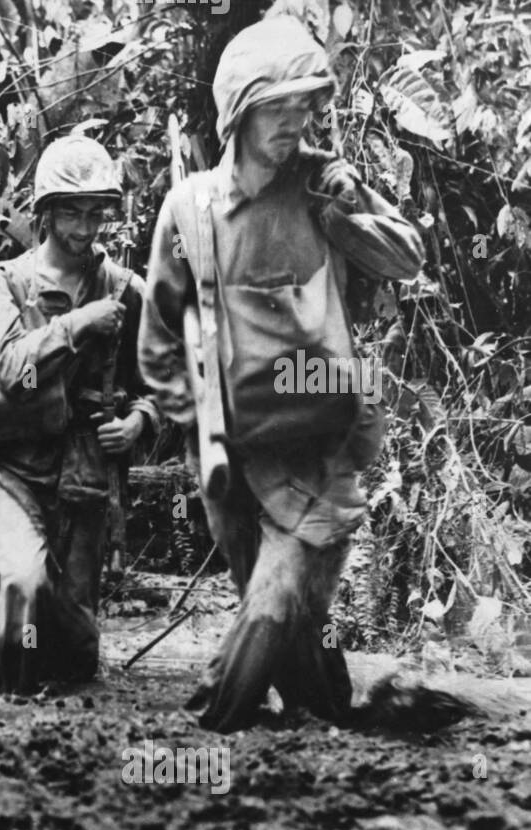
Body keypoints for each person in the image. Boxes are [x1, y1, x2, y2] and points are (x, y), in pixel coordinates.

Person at [137, 14, 424, 732]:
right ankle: (329, 709)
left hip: (322, 445)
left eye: (305, 106)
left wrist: (348, 209)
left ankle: (206, 727)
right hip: (233, 454)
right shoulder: (190, 210)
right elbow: (157, 340)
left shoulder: (323, 188)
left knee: (274, 599)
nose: (295, 122)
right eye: (279, 106)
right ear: (238, 111)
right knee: (291, 618)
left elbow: (407, 260)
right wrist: (194, 426)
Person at [0, 133, 159, 695]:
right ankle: (13, 714)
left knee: (76, 645)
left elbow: (156, 384)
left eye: (94, 213)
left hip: (85, 474)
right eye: (70, 212)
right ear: (45, 213)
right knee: (21, 586)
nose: (84, 227)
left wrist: (139, 422)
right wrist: (79, 326)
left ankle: (68, 741)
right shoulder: (3, 284)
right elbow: (10, 370)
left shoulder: (127, 290)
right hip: (12, 467)